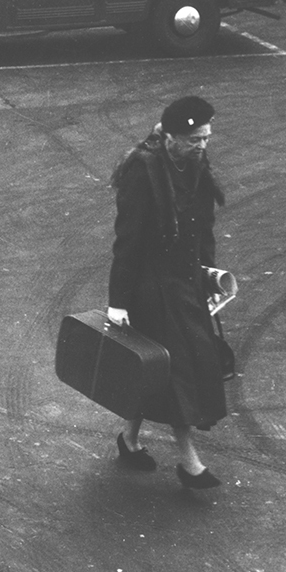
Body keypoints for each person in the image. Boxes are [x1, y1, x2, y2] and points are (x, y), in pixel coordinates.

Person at [107, 95, 227, 489]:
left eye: (206, 138)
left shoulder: (194, 163)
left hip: (187, 281)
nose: (202, 145)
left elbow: (202, 225)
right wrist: (118, 303)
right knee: (177, 372)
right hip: (153, 287)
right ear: (171, 137)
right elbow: (127, 240)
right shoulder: (143, 172)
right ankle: (190, 463)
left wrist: (209, 273)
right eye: (195, 139)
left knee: (153, 368)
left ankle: (129, 438)